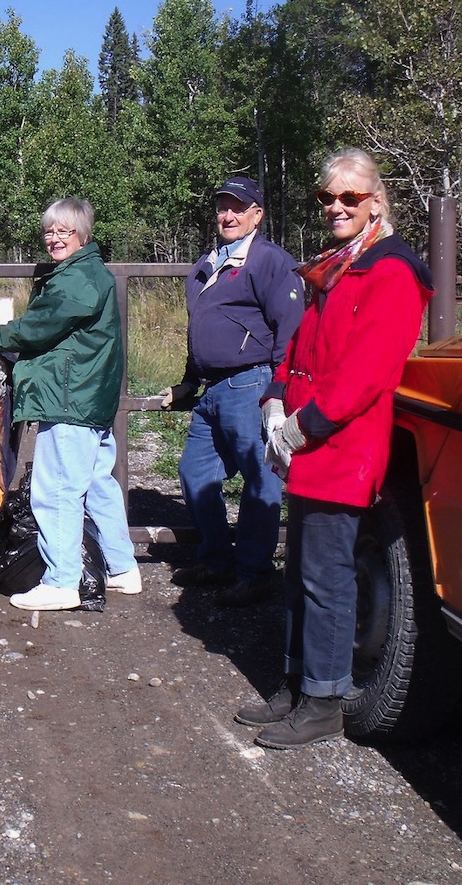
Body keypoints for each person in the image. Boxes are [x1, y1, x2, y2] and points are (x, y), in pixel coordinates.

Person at [235, 149, 431, 749]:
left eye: (350, 197)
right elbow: (301, 347)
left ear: (377, 201)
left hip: (342, 446)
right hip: (310, 441)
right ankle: (297, 685)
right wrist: (274, 398)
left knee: (327, 576)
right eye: (328, 198)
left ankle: (324, 699)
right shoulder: (340, 266)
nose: (336, 207)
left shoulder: (391, 272)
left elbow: (366, 373)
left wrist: (302, 426)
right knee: (299, 571)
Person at [0, 198, 140, 609]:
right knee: (96, 483)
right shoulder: (86, 272)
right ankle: (123, 567)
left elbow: (42, 325)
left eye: (63, 231)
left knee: (55, 488)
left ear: (83, 235)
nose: (54, 238)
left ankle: (61, 582)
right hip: (89, 395)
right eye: (49, 231)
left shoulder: (78, 278)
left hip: (69, 395)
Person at [159, 174, 303, 606]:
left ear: (257, 215)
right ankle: (218, 560)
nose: (227, 215)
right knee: (194, 472)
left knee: (261, 479)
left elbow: (290, 330)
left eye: (238, 208)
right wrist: (188, 379)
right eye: (222, 207)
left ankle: (254, 572)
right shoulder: (207, 263)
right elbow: (198, 329)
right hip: (211, 391)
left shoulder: (270, 261)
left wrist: (278, 388)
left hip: (251, 383)